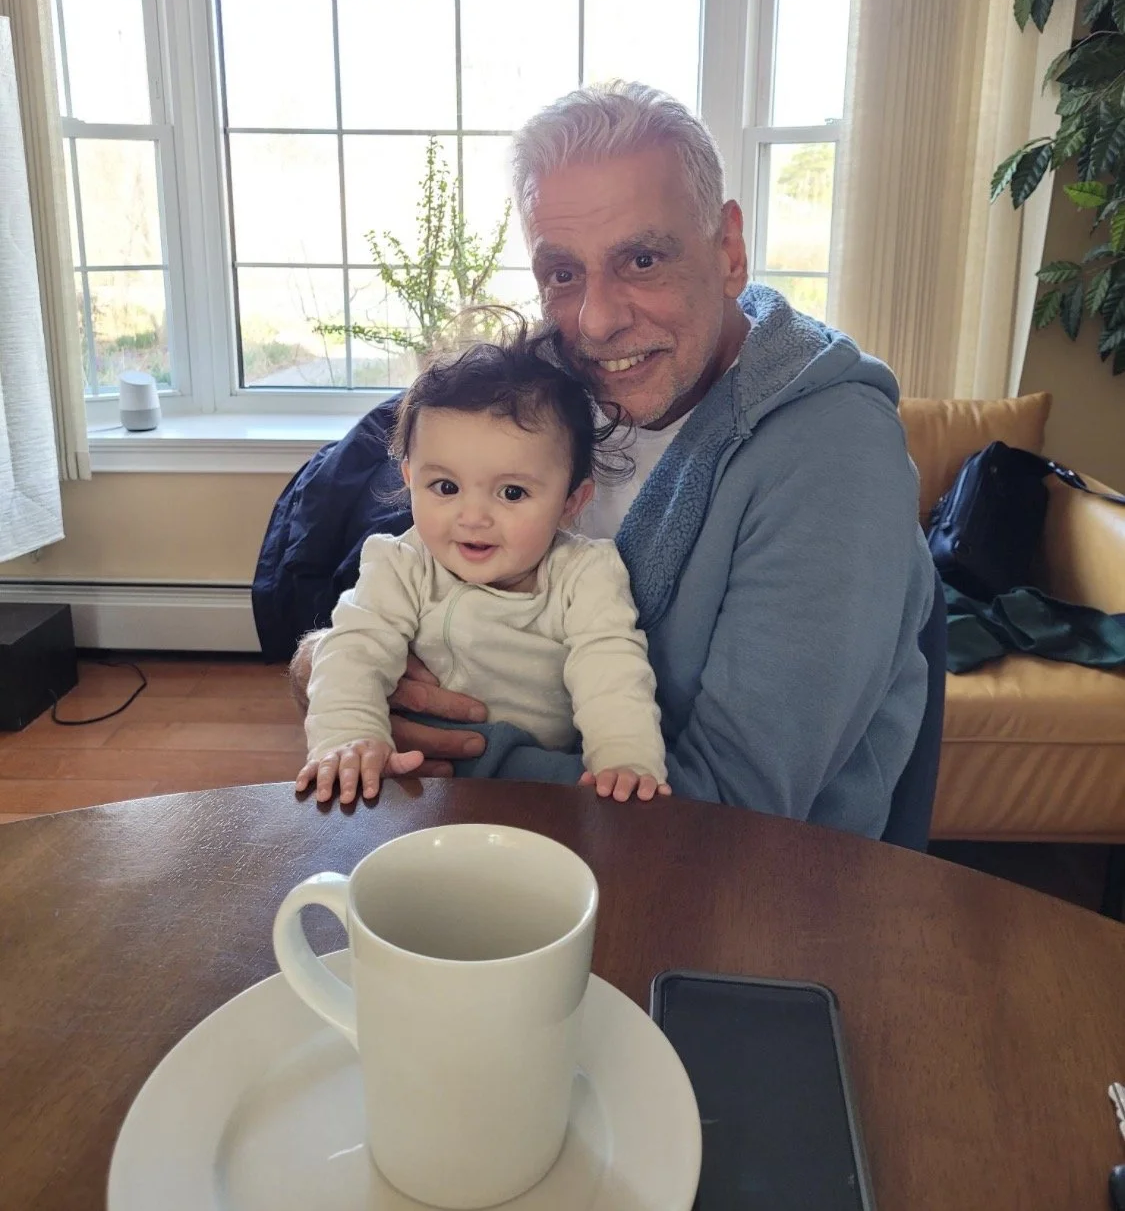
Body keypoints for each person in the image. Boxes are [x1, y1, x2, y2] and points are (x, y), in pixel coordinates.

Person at [285, 81, 935, 839]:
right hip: (497, 846)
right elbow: (402, 579)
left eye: (642, 259)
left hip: (744, 897)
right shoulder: (552, 394)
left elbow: (737, 812)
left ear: (728, 250)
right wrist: (325, 665)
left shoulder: (833, 460)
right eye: (562, 273)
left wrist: (463, 758)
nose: (595, 320)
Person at [295, 322, 669, 806]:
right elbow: (354, 651)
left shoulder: (584, 574)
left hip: (538, 793)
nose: (472, 518)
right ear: (410, 478)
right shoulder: (400, 563)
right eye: (445, 487)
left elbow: (611, 667)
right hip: (412, 784)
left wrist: (624, 757)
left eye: (512, 493)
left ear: (572, 500)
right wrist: (350, 736)